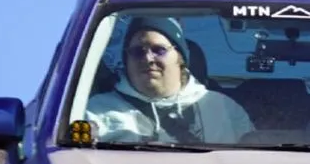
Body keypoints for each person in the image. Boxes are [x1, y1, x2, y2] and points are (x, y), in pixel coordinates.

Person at [87, 17, 253, 144]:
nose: (148, 58)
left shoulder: (225, 109)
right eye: (138, 51)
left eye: (158, 50)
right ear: (126, 61)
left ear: (180, 59)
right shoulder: (94, 112)